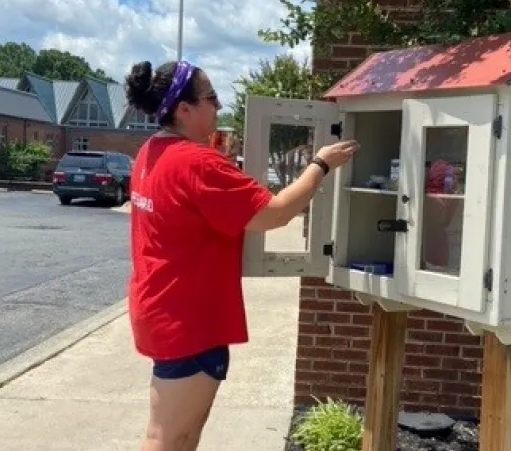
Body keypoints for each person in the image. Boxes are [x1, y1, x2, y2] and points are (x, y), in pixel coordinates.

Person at [123, 59, 359, 451]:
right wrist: (321, 164)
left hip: (162, 307)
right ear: (184, 109)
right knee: (169, 438)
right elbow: (276, 212)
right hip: (188, 321)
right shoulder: (197, 163)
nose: (218, 105)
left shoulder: (152, 152)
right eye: (211, 97)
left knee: (178, 436)